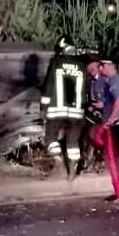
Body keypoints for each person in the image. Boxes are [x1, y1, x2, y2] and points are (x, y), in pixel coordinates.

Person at [39, 37, 90, 178]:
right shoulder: (82, 66)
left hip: (57, 110)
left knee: (50, 139)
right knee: (73, 143)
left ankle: (60, 163)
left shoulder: (56, 63)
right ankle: (72, 174)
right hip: (76, 112)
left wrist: (43, 106)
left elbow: (48, 86)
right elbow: (86, 88)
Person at [91, 59, 119, 203]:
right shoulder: (118, 80)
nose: (100, 69)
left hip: (113, 126)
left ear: (109, 66)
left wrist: (111, 119)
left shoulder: (113, 81)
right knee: (113, 158)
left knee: (112, 160)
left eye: (102, 66)